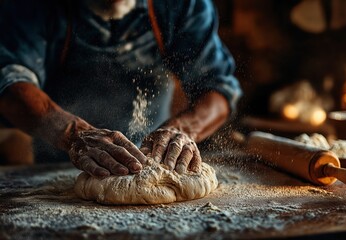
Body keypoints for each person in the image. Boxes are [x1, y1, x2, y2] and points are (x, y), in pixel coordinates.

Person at [0, 0, 241, 177]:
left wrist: (181, 130)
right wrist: (75, 135)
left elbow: (218, 87)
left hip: (154, 163)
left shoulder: (181, 5)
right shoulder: (31, 7)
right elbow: (10, 84)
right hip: (55, 166)